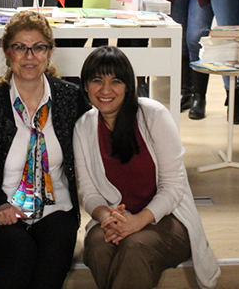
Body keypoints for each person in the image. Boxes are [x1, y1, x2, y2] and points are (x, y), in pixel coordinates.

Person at [74, 46, 220, 289]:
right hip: (116, 219)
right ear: (86, 86)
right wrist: (106, 217)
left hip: (168, 218)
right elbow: (88, 192)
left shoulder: (153, 115)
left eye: (116, 81)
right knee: (98, 245)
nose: (106, 89)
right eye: (97, 80)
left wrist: (138, 221)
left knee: (134, 247)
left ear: (129, 86)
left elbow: (174, 186)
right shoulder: (83, 128)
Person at [0, 10, 90, 289]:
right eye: (20, 47)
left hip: (56, 209)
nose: (29, 56)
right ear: (7, 53)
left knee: (52, 261)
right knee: (20, 252)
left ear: (49, 52)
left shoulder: (70, 99)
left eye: (38, 48)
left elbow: (94, 152)